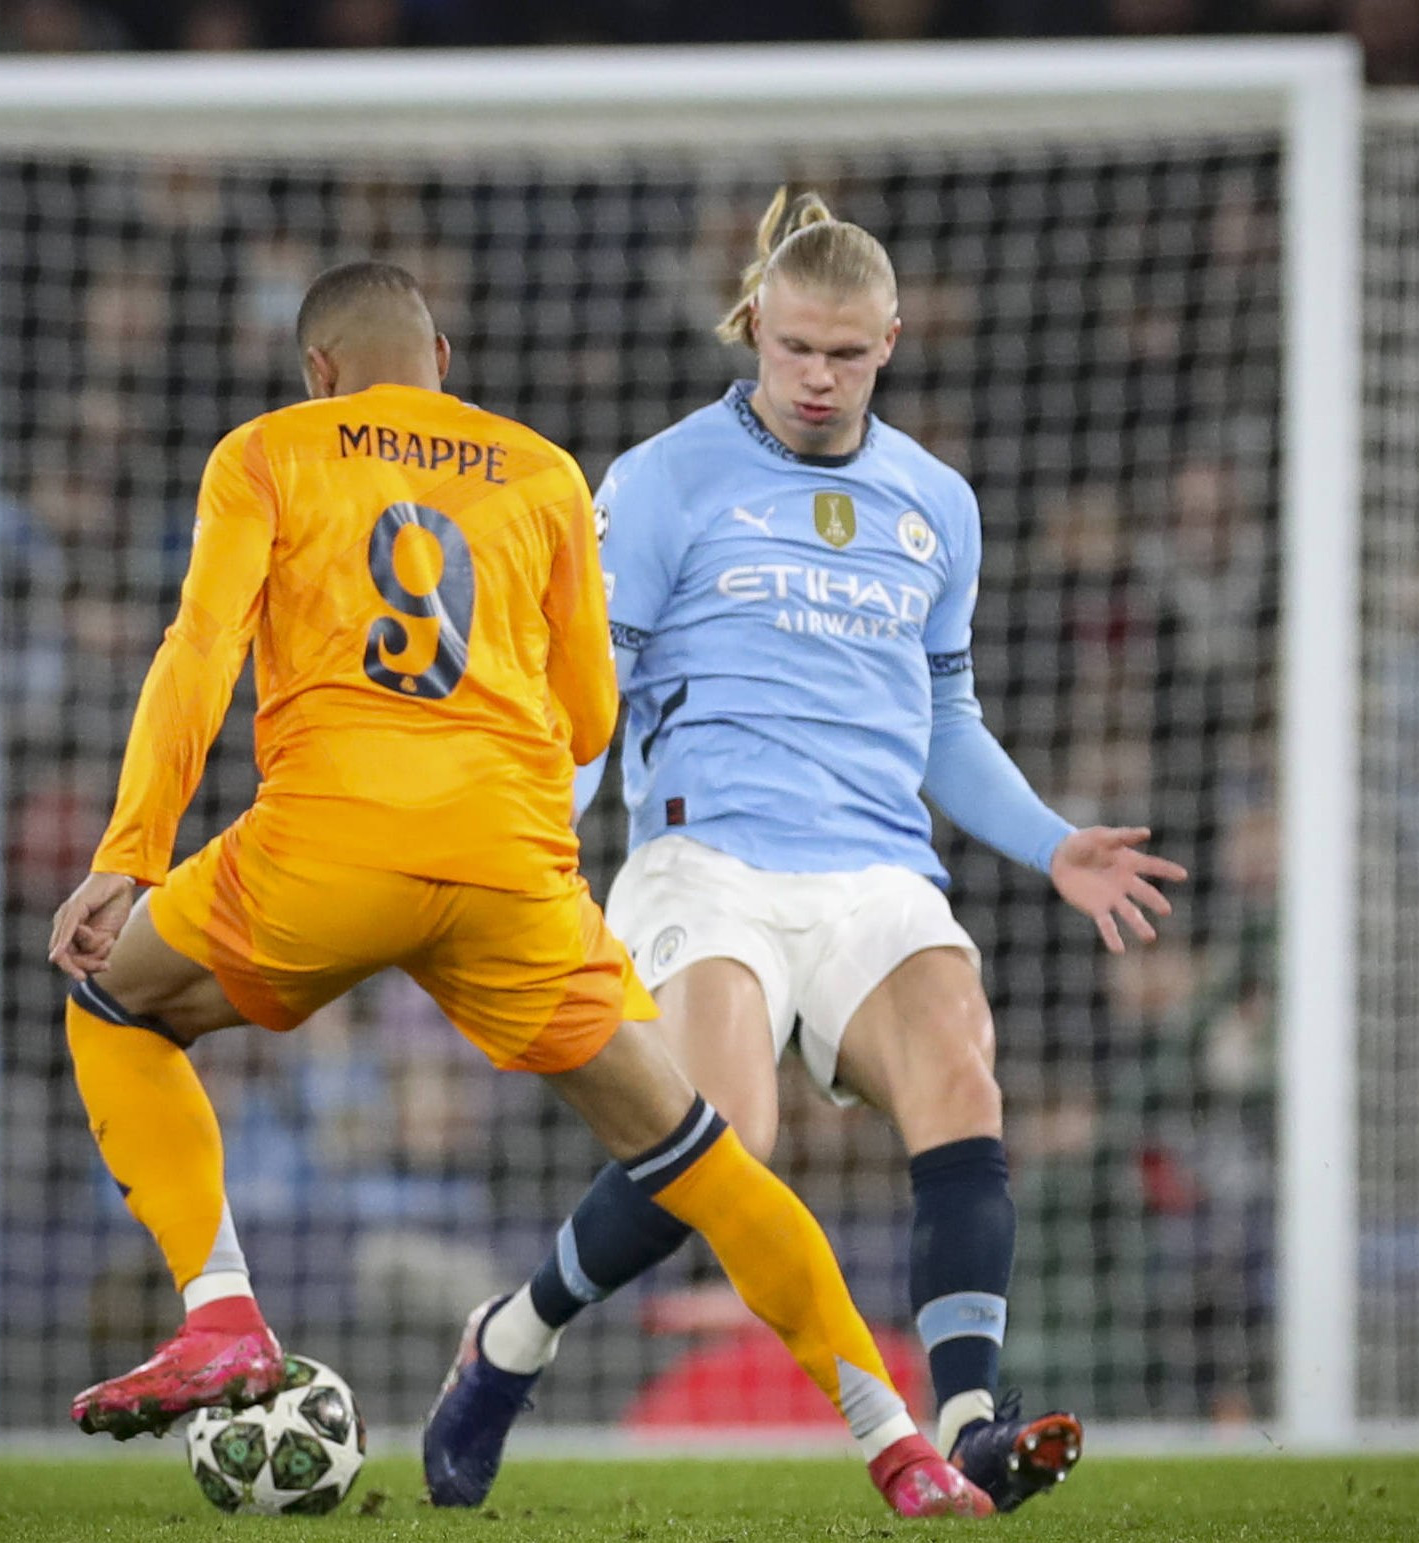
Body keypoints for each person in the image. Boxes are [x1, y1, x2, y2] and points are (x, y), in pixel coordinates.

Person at [45, 260, 989, 1518]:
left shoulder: (263, 453)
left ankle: (222, 1313)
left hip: (323, 844)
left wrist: (131, 849)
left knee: (113, 1003)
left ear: (319, 371)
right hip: (508, 862)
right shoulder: (540, 470)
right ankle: (900, 1445)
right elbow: (593, 711)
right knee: (700, 1157)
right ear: (441, 354)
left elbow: (199, 649)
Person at [423, 191, 1185, 1512]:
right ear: (752, 328)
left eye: (847, 352)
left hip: (876, 868)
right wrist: (537, 846)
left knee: (960, 1065)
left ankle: (968, 1421)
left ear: (891, 339)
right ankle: (510, 1339)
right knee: (723, 1142)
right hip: (700, 858)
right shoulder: (660, 480)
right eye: (794, 350)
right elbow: (593, 692)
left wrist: (1053, 840)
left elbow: (945, 715)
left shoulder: (936, 505)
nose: (818, 378)